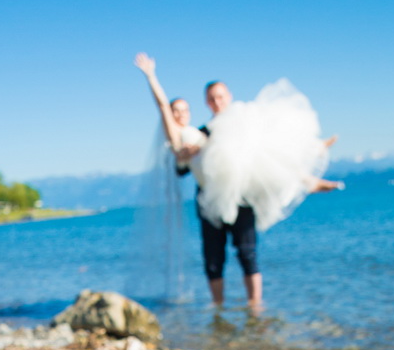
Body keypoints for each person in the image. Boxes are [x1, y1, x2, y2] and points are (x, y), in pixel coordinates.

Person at [134, 54, 340, 314]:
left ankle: (309, 162)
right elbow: (164, 109)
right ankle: (219, 308)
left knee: (247, 249)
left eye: (185, 110)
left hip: (240, 191)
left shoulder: (209, 130)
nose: (181, 114)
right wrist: (151, 75)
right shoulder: (184, 138)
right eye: (177, 111)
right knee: (214, 258)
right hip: (211, 199)